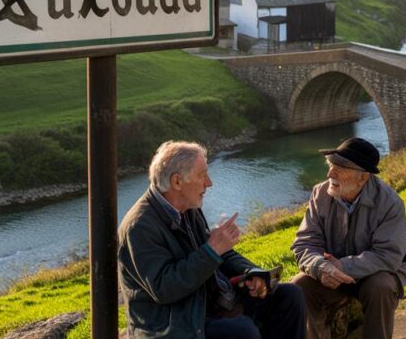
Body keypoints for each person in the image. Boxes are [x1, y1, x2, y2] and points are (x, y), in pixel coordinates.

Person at [118, 140, 306, 339]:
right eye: (202, 175)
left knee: (290, 296)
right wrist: (211, 250)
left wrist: (252, 273)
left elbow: (220, 253)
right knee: (242, 332)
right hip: (170, 323)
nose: (209, 182)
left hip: (206, 301)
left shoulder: (188, 207)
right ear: (177, 182)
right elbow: (164, 289)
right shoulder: (139, 227)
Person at [291, 138, 406, 339]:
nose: (330, 174)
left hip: (374, 274)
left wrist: (342, 267)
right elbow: (305, 242)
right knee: (299, 285)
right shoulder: (320, 194)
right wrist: (320, 266)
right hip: (331, 272)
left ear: (363, 177)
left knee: (380, 287)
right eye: (331, 166)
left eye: (339, 169)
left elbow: (388, 256)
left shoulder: (390, 203)